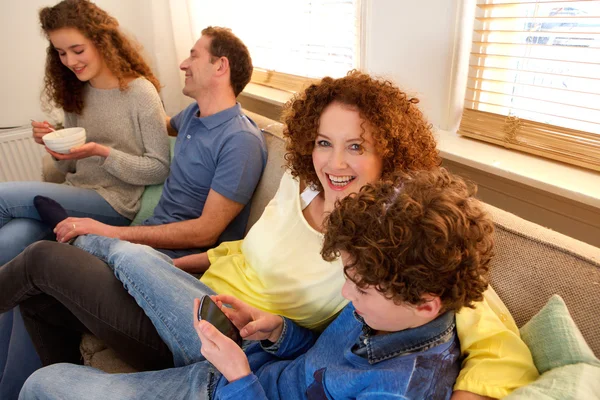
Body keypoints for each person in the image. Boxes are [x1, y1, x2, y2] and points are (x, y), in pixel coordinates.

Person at [1, 72, 537, 399]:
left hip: (232, 362)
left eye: (356, 147)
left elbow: (492, 343)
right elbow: (234, 249)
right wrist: (275, 328)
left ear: (390, 155)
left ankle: (88, 239)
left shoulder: (399, 246)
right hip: (231, 314)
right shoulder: (301, 186)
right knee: (118, 254)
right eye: (324, 142)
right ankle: (97, 239)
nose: (333, 162)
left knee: (44, 256)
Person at [19, 168, 494, 399]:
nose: (347, 296)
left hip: (230, 387)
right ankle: (85, 239)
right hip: (242, 366)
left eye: (361, 289)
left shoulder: (395, 388)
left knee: (43, 384)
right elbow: (316, 365)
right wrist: (279, 331)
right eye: (348, 279)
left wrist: (239, 378)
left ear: (427, 305)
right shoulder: (387, 304)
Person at [0, 0, 171, 397]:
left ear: (101, 40)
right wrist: (58, 152)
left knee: (4, 199)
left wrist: (100, 152)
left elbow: (158, 167)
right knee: (11, 245)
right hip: (78, 195)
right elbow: (70, 175)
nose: (70, 60)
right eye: (60, 52)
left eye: (77, 49)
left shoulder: (139, 92)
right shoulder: (75, 92)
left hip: (114, 204)